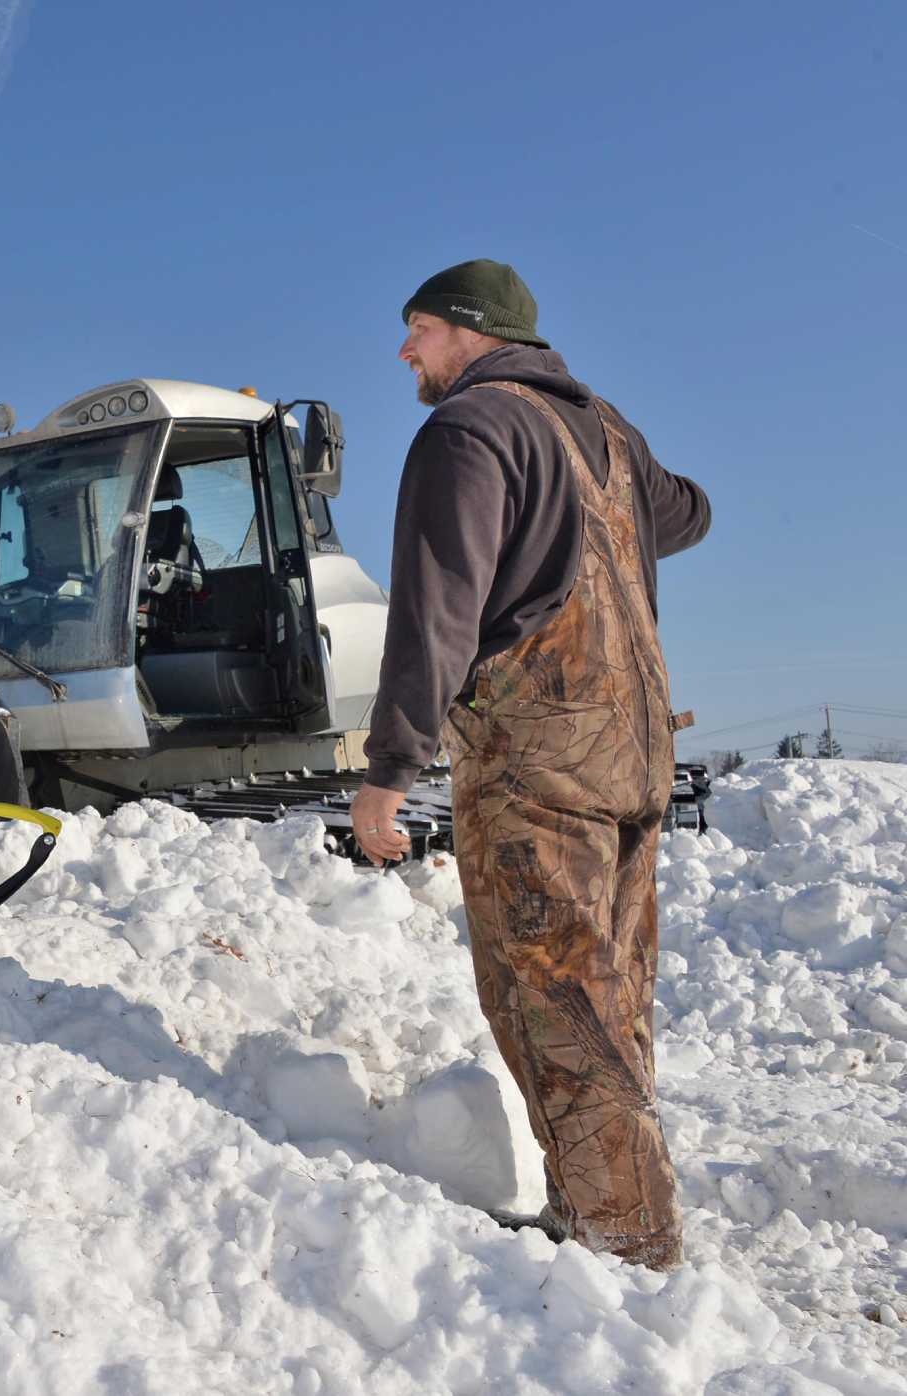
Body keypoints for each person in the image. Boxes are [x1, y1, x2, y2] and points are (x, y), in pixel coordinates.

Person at [349, 259, 711, 1269]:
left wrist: (390, 764)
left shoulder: (466, 432)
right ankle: (588, 1212)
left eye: (414, 329)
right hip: (632, 757)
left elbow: (436, 610)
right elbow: (687, 511)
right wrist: (618, 478)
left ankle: (627, 1253)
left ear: (462, 331)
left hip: (537, 765)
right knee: (607, 1001)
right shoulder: (596, 426)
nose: (404, 351)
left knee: (552, 1002)